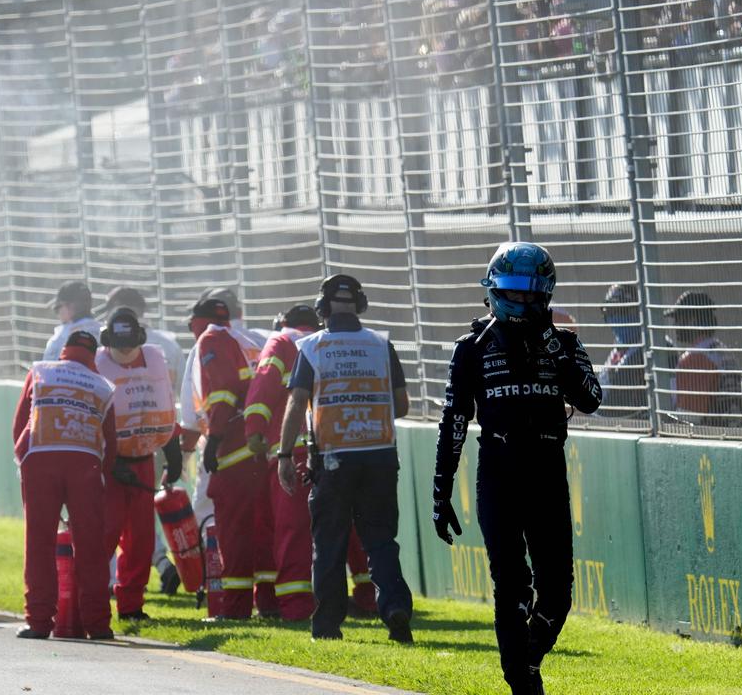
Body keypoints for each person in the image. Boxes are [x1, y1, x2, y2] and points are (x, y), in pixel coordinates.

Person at [431, 242, 601, 695]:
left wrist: (553, 348)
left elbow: (591, 398)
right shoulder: (470, 347)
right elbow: (453, 420)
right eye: (514, 293)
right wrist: (440, 490)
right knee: (511, 586)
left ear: (546, 296)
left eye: (532, 296)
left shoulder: (564, 342)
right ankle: (523, 684)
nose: (523, 303)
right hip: (499, 473)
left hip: (547, 472)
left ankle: (525, 660)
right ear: (492, 291)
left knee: (557, 595)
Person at [277, 274, 414, 643]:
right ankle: (396, 609)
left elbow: (295, 403)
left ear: (322, 310)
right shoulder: (380, 345)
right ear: (361, 305)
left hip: (333, 461)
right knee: (381, 541)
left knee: (330, 544)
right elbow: (401, 405)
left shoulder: (312, 347)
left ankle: (327, 626)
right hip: (381, 456)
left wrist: (285, 454)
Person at [12, 330, 117, 640]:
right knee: (91, 547)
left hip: (40, 459)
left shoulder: (40, 371)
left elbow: (20, 424)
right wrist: (101, 479)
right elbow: (111, 445)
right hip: (85, 465)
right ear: (94, 355)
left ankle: (39, 622)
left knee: (39, 543)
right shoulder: (104, 386)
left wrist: (24, 459)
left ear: (64, 351)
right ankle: (97, 625)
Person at [96, 308, 184, 620]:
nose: (124, 353)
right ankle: (90, 604)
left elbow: (161, 406)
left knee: (141, 540)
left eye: (129, 346)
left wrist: (172, 451)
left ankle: (131, 606)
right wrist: (108, 460)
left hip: (143, 459)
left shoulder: (155, 360)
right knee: (105, 535)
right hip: (109, 465)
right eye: (119, 347)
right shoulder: (97, 364)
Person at [243, 304, 320, 621]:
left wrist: (254, 430)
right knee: (346, 532)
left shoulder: (280, 342)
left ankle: (296, 605)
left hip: (292, 452)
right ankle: (367, 599)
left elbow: (262, 387)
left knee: (292, 531)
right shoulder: (327, 341)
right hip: (334, 448)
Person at [191, 297, 265, 619]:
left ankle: (235, 608)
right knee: (262, 529)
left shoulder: (212, 340)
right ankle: (270, 602)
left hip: (233, 449)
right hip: (257, 448)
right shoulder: (244, 340)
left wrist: (214, 440)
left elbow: (222, 393)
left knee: (233, 532)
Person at [665, 290, 742, 429]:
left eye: (678, 319)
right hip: (732, 434)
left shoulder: (695, 360)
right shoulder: (723, 352)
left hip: (709, 439)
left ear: (692, 319)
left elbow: (687, 419)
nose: (675, 325)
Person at [104, 286, 186, 396]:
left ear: (116, 312)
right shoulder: (169, 344)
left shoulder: (105, 347)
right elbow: (184, 392)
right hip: (162, 411)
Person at [598, 283, 647, 418]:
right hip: (608, 422)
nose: (616, 317)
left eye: (622, 310)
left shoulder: (657, 349)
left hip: (633, 423)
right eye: (610, 312)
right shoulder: (618, 349)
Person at [43, 281, 101, 363]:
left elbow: (46, 369)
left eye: (57, 308)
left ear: (70, 306)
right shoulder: (105, 333)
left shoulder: (60, 338)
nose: (58, 313)